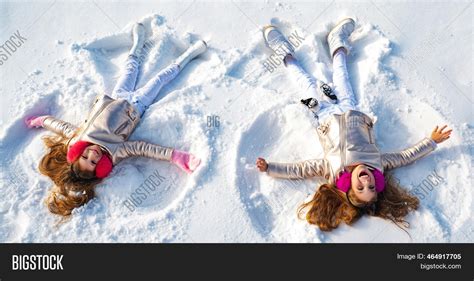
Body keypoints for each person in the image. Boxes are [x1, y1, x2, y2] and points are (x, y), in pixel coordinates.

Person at [256, 18, 452, 231]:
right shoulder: (377, 163)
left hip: (324, 116)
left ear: (348, 186)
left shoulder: (333, 170)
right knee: (341, 73)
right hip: (352, 110)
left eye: (360, 187)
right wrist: (432, 141)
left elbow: (302, 169)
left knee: (305, 81)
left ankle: (282, 49)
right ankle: (337, 41)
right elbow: (405, 157)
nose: (366, 180)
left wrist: (271, 168)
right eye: (371, 186)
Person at [26, 23, 206, 216]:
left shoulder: (78, 139)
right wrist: (176, 156)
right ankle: (190, 54)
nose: (92, 155)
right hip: (137, 105)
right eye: (94, 162)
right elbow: (143, 148)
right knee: (161, 78)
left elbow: (62, 127)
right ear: (100, 167)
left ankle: (138, 42)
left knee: (130, 68)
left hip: (116, 96)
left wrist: (42, 120)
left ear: (77, 153)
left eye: (85, 157)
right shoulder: (114, 153)